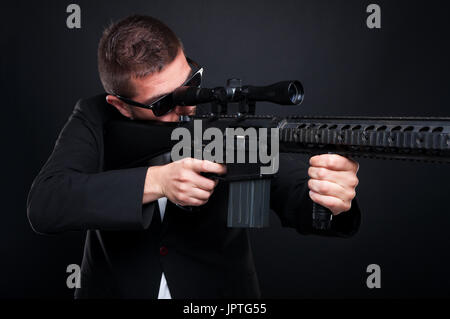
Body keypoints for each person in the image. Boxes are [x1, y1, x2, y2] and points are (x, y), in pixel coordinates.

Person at [27, 15, 361, 299]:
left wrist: (329, 197)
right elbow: (47, 204)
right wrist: (156, 182)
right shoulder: (96, 116)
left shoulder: (220, 117)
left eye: (190, 84)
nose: (187, 106)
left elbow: (291, 190)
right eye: (163, 104)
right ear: (120, 105)